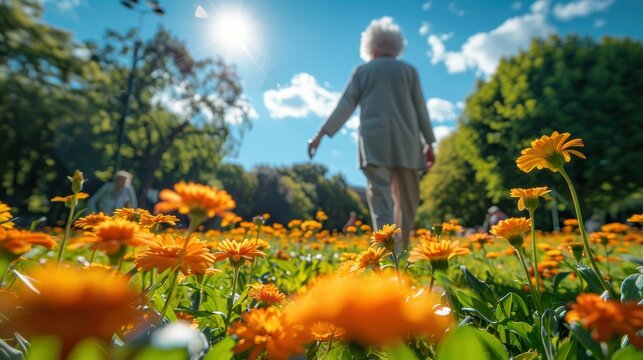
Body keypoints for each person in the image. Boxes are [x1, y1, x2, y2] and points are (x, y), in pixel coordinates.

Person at [307, 17, 436, 251]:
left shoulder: (362, 71)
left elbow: (345, 105)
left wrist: (320, 134)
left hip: (374, 145)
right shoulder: (409, 71)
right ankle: (402, 253)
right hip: (407, 145)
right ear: (397, 46)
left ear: (369, 45)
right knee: (406, 204)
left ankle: (388, 256)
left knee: (381, 203)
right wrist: (429, 143)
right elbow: (421, 109)